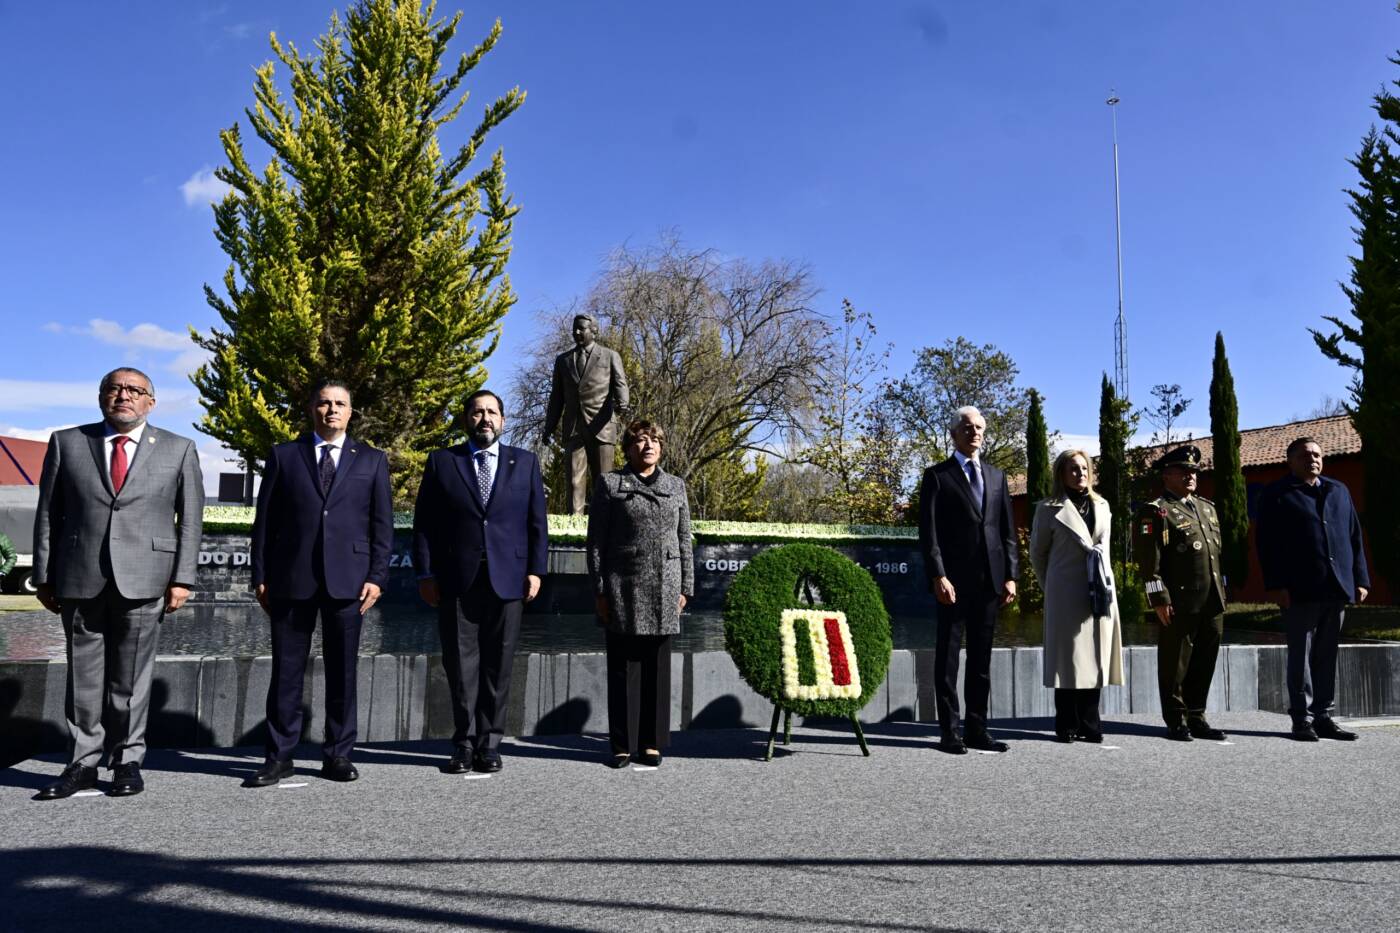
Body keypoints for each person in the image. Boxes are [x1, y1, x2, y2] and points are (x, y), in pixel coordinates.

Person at [32, 367, 203, 799]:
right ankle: (81, 763)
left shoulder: (179, 448)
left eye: (134, 390)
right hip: (78, 576)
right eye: (115, 389)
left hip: (147, 577)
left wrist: (182, 577)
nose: (123, 396)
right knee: (83, 677)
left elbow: (191, 520)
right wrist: (44, 575)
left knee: (131, 679)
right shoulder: (67, 442)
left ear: (151, 401)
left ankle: (127, 760)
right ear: (100, 397)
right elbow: (49, 513)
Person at [247, 379, 393, 786]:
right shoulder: (284, 455)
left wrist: (377, 577)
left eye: (340, 404)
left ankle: (338, 754)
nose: (332, 410)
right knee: (286, 673)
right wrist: (260, 576)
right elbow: (265, 524)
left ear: (351, 412)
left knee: (343, 673)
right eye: (324, 403)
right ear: (312, 409)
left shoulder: (372, 460)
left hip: (349, 583)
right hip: (291, 580)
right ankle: (278, 757)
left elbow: (382, 525)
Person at [413, 389, 548, 773]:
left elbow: (537, 523)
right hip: (457, 579)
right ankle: (463, 744)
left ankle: (490, 745)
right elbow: (424, 525)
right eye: (477, 412)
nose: (485, 418)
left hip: (509, 580)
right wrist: (425, 573)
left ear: (503, 421)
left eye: (492, 412)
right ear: (466, 420)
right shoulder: (442, 462)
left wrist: (536, 570)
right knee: (460, 667)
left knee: (499, 665)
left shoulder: (525, 463)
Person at [586, 420, 694, 768]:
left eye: (655, 440)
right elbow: (596, 542)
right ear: (628, 448)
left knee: (657, 670)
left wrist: (686, 587)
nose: (648, 446)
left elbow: (684, 540)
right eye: (640, 441)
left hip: (665, 586)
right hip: (622, 586)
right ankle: (621, 743)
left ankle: (650, 743)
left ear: (662, 448)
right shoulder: (610, 484)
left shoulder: (676, 486)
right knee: (622, 669)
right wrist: (601, 588)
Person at [917, 406, 1017, 754]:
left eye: (979, 428)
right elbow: (928, 536)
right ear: (954, 434)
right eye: (967, 427)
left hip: (990, 583)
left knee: (981, 661)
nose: (974, 432)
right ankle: (950, 732)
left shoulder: (997, 476)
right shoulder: (937, 476)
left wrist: (1011, 577)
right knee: (948, 660)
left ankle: (978, 729)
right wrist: (938, 575)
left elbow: (1007, 532)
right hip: (953, 585)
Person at [1256, 436, 1369, 742]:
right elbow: (1267, 544)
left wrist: (1361, 579)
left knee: (1327, 655)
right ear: (1290, 460)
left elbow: (1354, 538)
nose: (1313, 460)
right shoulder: (1277, 494)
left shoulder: (1339, 491)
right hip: (1299, 589)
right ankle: (1301, 719)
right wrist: (1277, 585)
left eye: (1317, 455)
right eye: (1305, 455)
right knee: (1301, 656)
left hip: (1337, 587)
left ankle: (1323, 716)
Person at [1132, 445, 1228, 742]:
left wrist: (1224, 591)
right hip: (1179, 601)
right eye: (1183, 472)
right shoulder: (1156, 511)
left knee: (1205, 659)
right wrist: (1158, 599)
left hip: (1212, 598)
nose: (1190, 476)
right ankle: (1176, 720)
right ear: (1167, 476)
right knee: (1175, 663)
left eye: (1193, 472)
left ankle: (1197, 716)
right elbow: (1149, 564)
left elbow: (1216, 556)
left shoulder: (1206, 508)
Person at [1030, 450, 1124, 743]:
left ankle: (1090, 722)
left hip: (1098, 591)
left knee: (1096, 656)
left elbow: (1106, 548)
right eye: (1073, 468)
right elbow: (1038, 554)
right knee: (1068, 659)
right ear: (1061, 473)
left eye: (1084, 468)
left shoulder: (1103, 505)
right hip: (1065, 592)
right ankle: (1067, 723)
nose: (1080, 473)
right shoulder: (1048, 508)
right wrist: (1053, 588)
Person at [543, 314, 631, 514]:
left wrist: (623, 404)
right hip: (574, 427)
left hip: (602, 425)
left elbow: (620, 384)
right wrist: (549, 427)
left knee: (604, 480)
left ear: (594, 331)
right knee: (574, 481)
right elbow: (556, 398)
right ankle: (575, 526)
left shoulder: (610, 356)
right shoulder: (563, 361)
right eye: (575, 329)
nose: (577, 332)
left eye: (581, 328)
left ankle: (605, 525)